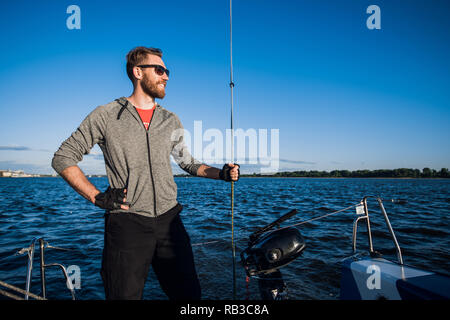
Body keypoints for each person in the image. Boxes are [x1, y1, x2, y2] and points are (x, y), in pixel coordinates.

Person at [51, 46, 240, 300]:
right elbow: (63, 157)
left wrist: (223, 174)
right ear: (138, 72)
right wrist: (96, 197)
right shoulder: (106, 115)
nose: (167, 77)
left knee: (191, 298)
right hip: (127, 224)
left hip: (170, 222)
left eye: (167, 71)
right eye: (160, 70)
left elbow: (188, 163)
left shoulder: (170, 119)